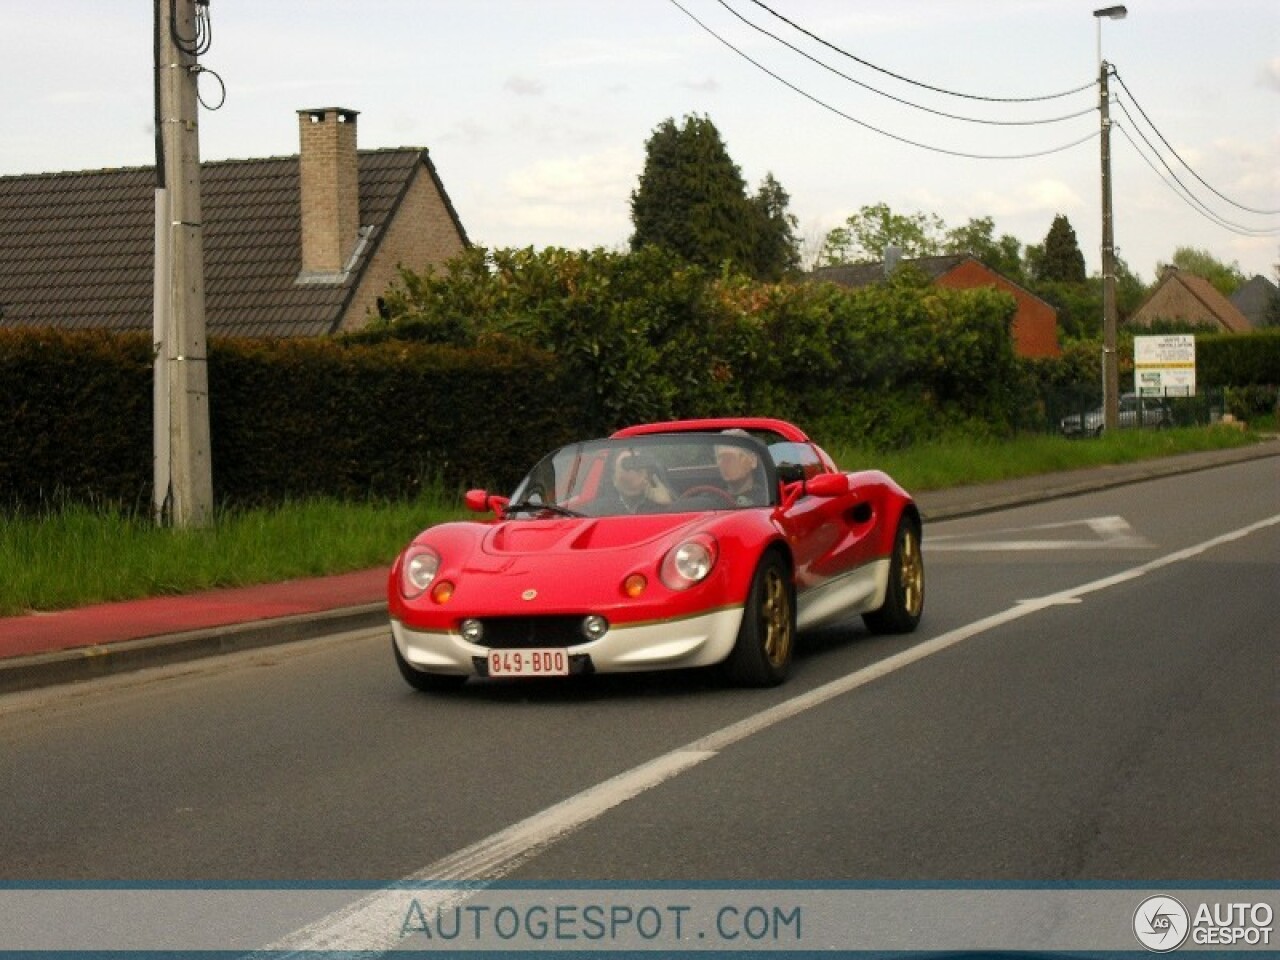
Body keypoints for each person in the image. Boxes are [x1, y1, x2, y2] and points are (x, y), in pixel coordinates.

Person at [607, 449, 673, 514]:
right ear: (613, 478)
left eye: (638, 467)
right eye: (627, 466)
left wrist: (667, 504)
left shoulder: (659, 502)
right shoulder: (603, 509)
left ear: (647, 474)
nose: (633, 472)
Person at [714, 430, 764, 506]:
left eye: (733, 457)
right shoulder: (711, 498)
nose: (725, 462)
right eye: (721, 457)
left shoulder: (767, 499)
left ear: (753, 460)